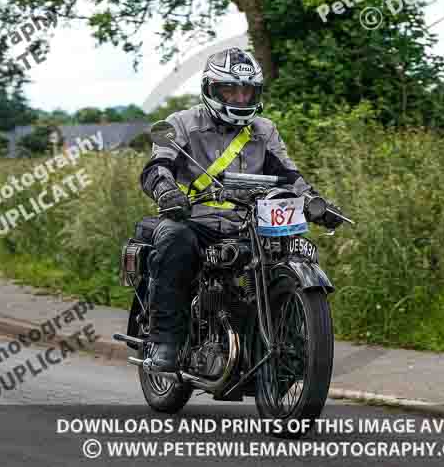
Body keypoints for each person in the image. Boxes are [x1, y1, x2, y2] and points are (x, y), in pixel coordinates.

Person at [139, 47, 343, 372]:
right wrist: (167, 193)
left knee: (291, 252)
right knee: (172, 239)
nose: (239, 96)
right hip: (194, 220)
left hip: (248, 222)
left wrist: (315, 203)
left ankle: (284, 341)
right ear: (210, 88)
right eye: (230, 89)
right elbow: (156, 166)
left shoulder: (264, 130)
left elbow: (289, 175)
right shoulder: (181, 123)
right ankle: (166, 340)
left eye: (247, 90)